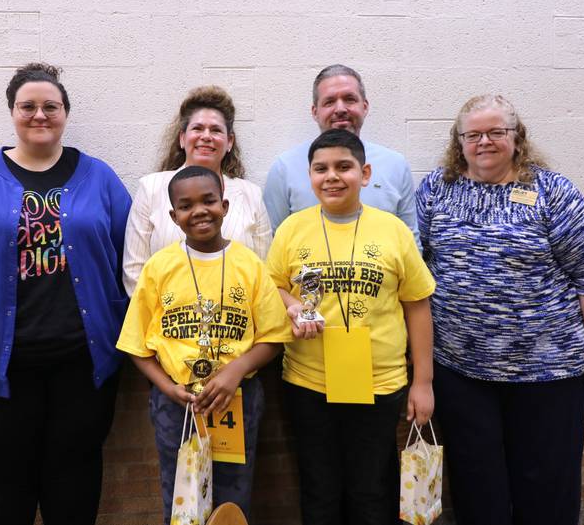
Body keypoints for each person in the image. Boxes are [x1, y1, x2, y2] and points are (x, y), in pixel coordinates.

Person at [0, 63, 132, 525]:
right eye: (27, 106)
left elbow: (132, 264)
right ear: (12, 112)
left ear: (65, 113)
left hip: (83, 366)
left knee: (74, 482)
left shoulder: (101, 179)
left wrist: (133, 341)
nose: (39, 115)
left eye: (50, 106)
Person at [415, 94, 584, 525]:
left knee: (546, 485)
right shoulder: (436, 189)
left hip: (547, 372)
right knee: (476, 487)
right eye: (473, 134)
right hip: (461, 369)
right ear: (459, 141)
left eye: (496, 132)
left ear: (517, 137)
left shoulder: (553, 192)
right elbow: (415, 267)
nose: (484, 141)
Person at [266, 129, 436, 525]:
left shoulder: (392, 230)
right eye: (320, 168)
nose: (332, 177)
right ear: (309, 175)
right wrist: (292, 306)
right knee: (319, 487)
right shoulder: (292, 228)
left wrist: (423, 382)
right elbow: (270, 285)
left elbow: (418, 305)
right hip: (309, 382)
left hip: (378, 382)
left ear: (366, 172)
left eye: (344, 167)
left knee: (372, 488)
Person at [116, 166, 291, 524]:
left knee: (234, 497)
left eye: (208, 200)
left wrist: (235, 371)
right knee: (182, 497)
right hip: (176, 402)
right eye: (186, 205)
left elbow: (274, 336)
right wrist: (168, 388)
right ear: (173, 216)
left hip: (236, 398)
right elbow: (136, 346)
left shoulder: (250, 266)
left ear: (224, 206)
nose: (199, 210)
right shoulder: (159, 267)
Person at [123, 85, 272, 296]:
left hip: (236, 323)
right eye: (198, 128)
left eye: (216, 130)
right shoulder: (151, 188)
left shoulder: (251, 195)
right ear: (182, 138)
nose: (206, 136)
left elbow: (264, 270)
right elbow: (134, 271)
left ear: (229, 142)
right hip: (167, 324)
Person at [263, 64, 418, 243]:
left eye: (349, 99)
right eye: (329, 102)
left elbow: (410, 243)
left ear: (365, 107)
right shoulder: (285, 168)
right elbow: (273, 243)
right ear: (315, 112)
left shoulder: (395, 165)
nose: (340, 109)